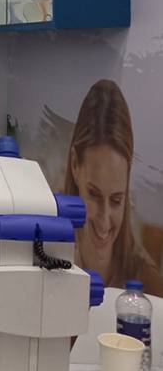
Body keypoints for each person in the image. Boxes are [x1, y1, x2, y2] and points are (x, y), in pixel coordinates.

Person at [63, 79, 163, 296]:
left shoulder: (147, 282)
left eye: (117, 200)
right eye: (94, 194)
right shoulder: (44, 253)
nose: (104, 220)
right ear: (75, 164)